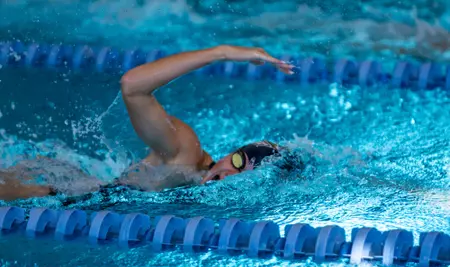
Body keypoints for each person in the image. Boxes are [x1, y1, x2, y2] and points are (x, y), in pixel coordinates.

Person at [0, 45, 295, 202]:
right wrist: (221, 53)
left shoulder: (209, 192)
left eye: (243, 175)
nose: (229, 174)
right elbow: (133, 86)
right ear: (231, 151)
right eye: (237, 160)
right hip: (56, 196)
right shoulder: (186, 155)